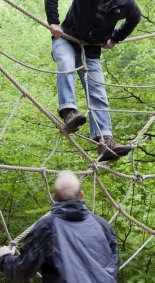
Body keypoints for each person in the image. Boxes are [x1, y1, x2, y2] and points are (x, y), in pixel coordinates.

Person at [0, 170, 120, 283]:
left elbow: (22, 270)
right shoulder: (103, 226)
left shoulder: (46, 227)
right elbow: (113, 268)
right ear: (82, 195)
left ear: (54, 197)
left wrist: (5, 258)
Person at [44, 0, 141, 162]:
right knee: (66, 64)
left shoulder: (126, 3)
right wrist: (53, 21)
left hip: (91, 49)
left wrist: (116, 38)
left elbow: (135, 18)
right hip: (66, 38)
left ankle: (105, 142)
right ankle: (69, 113)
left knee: (98, 89)